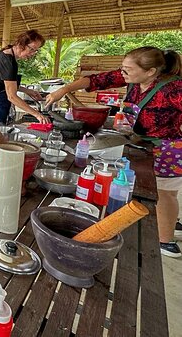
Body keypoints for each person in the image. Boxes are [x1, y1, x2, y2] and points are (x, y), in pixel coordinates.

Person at [46, 46, 182, 258]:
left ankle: (166, 239)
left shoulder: (173, 89)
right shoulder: (135, 81)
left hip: (168, 148)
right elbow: (96, 80)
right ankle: (170, 221)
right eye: (122, 68)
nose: (122, 73)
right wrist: (62, 91)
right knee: (152, 191)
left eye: (127, 69)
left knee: (164, 194)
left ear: (150, 72)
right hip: (142, 144)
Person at [0, 29, 50, 126]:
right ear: (21, 44)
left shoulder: (8, 57)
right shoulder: (7, 61)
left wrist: (28, 91)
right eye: (32, 49)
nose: (33, 53)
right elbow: (11, 96)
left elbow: (7, 84)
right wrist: (37, 114)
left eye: (36, 50)